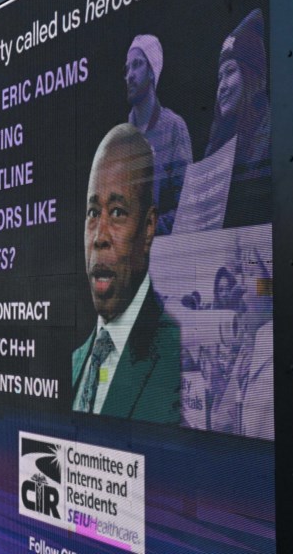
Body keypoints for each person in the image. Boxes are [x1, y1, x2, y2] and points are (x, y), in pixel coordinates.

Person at [71, 123, 182, 423]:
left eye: (117, 212)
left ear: (148, 228)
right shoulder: (76, 361)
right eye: (93, 213)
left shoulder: (177, 354)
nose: (99, 236)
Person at [200, 8, 271, 229]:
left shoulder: (274, 131)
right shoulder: (216, 145)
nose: (221, 87)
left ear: (251, 76)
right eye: (219, 77)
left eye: (230, 72)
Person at [124, 34, 192, 235]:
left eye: (137, 65)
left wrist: (146, 230)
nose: (129, 75)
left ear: (152, 72)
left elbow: (186, 209)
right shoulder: (122, 139)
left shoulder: (174, 128)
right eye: (126, 69)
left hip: (164, 255)